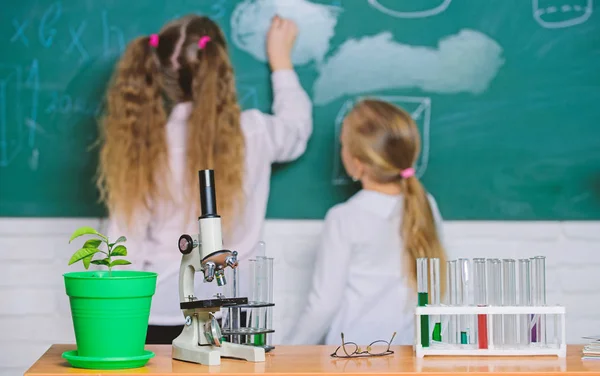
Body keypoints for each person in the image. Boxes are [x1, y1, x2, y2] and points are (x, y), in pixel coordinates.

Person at [96, 14, 312, 344]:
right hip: (233, 316)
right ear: (221, 64)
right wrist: (281, 60)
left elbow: (125, 244)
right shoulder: (253, 131)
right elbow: (296, 128)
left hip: (157, 315)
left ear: (163, 74)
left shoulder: (145, 145)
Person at [284, 99, 446, 346]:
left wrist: (285, 355)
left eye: (343, 146)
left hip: (352, 356)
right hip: (407, 355)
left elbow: (323, 306)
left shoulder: (344, 217)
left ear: (358, 164)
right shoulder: (426, 205)